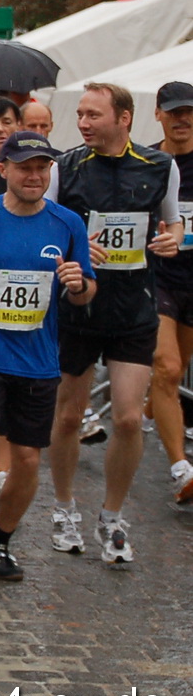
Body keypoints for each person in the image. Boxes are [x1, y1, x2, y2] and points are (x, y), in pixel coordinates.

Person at [0, 131, 94, 581]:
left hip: (38, 359)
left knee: (28, 461)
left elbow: (86, 291)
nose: (34, 175)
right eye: (25, 167)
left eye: (42, 167)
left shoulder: (68, 224)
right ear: (4, 169)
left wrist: (78, 284)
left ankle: (0, 543)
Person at [45, 83, 182, 562]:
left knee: (126, 417)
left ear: (124, 117)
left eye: (93, 114)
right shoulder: (66, 167)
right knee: (67, 416)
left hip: (134, 308)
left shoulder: (160, 166)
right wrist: (76, 243)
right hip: (80, 307)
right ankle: (64, 508)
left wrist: (172, 240)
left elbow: (173, 223)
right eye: (80, 114)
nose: (83, 122)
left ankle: (112, 516)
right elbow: (48, 223)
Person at [149, 82, 193, 503]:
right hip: (157, 278)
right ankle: (182, 469)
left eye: (190, 112)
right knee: (167, 368)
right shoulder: (148, 164)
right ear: (157, 113)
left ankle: (154, 405)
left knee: (177, 373)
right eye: (175, 111)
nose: (183, 119)